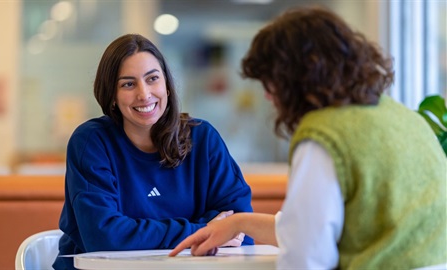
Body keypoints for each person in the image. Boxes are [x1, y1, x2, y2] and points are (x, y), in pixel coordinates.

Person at [169, 5, 447, 269]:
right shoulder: (402, 117)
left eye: (270, 82)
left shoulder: (324, 135)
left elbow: (306, 256)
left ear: (294, 78)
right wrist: (237, 223)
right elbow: (311, 228)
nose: (267, 95)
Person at [53, 34, 253, 269]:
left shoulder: (203, 139)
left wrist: (138, 232)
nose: (144, 94)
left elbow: (240, 230)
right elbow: (104, 238)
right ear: (112, 96)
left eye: (152, 79)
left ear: (167, 86)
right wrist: (205, 230)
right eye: (128, 84)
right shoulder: (91, 142)